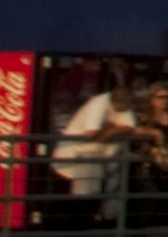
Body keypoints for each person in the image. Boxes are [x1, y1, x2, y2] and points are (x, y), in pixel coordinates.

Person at [53, 69, 129, 226]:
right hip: (78, 155)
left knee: (90, 198)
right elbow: (91, 133)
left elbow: (130, 128)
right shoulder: (99, 103)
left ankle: (80, 232)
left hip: (96, 158)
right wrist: (112, 130)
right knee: (78, 199)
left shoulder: (124, 108)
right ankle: (71, 235)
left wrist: (114, 129)